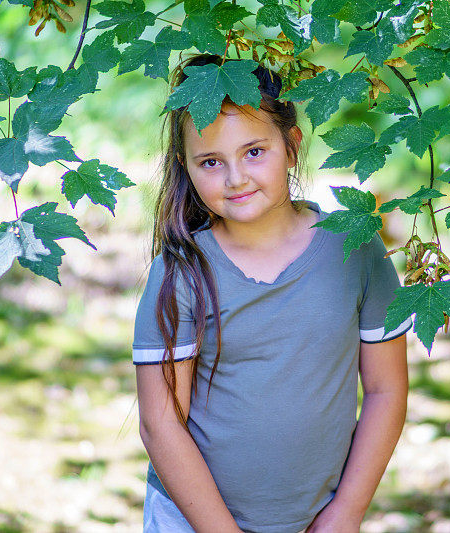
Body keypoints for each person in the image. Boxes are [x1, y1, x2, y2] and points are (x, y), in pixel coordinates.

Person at [132, 53, 413, 533]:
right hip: (192, 522)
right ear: (186, 166)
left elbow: (387, 390)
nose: (236, 177)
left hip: (317, 521)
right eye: (211, 162)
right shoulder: (180, 273)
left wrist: (346, 513)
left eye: (254, 152)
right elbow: (160, 425)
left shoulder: (354, 246)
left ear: (291, 142)